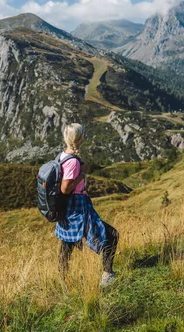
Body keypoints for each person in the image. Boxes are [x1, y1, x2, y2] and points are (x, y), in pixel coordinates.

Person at [56, 123, 119, 288]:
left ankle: (63, 282)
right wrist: (82, 173)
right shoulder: (74, 163)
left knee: (66, 244)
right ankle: (107, 276)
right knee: (111, 235)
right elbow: (65, 188)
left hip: (68, 208)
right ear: (80, 138)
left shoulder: (62, 155)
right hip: (77, 207)